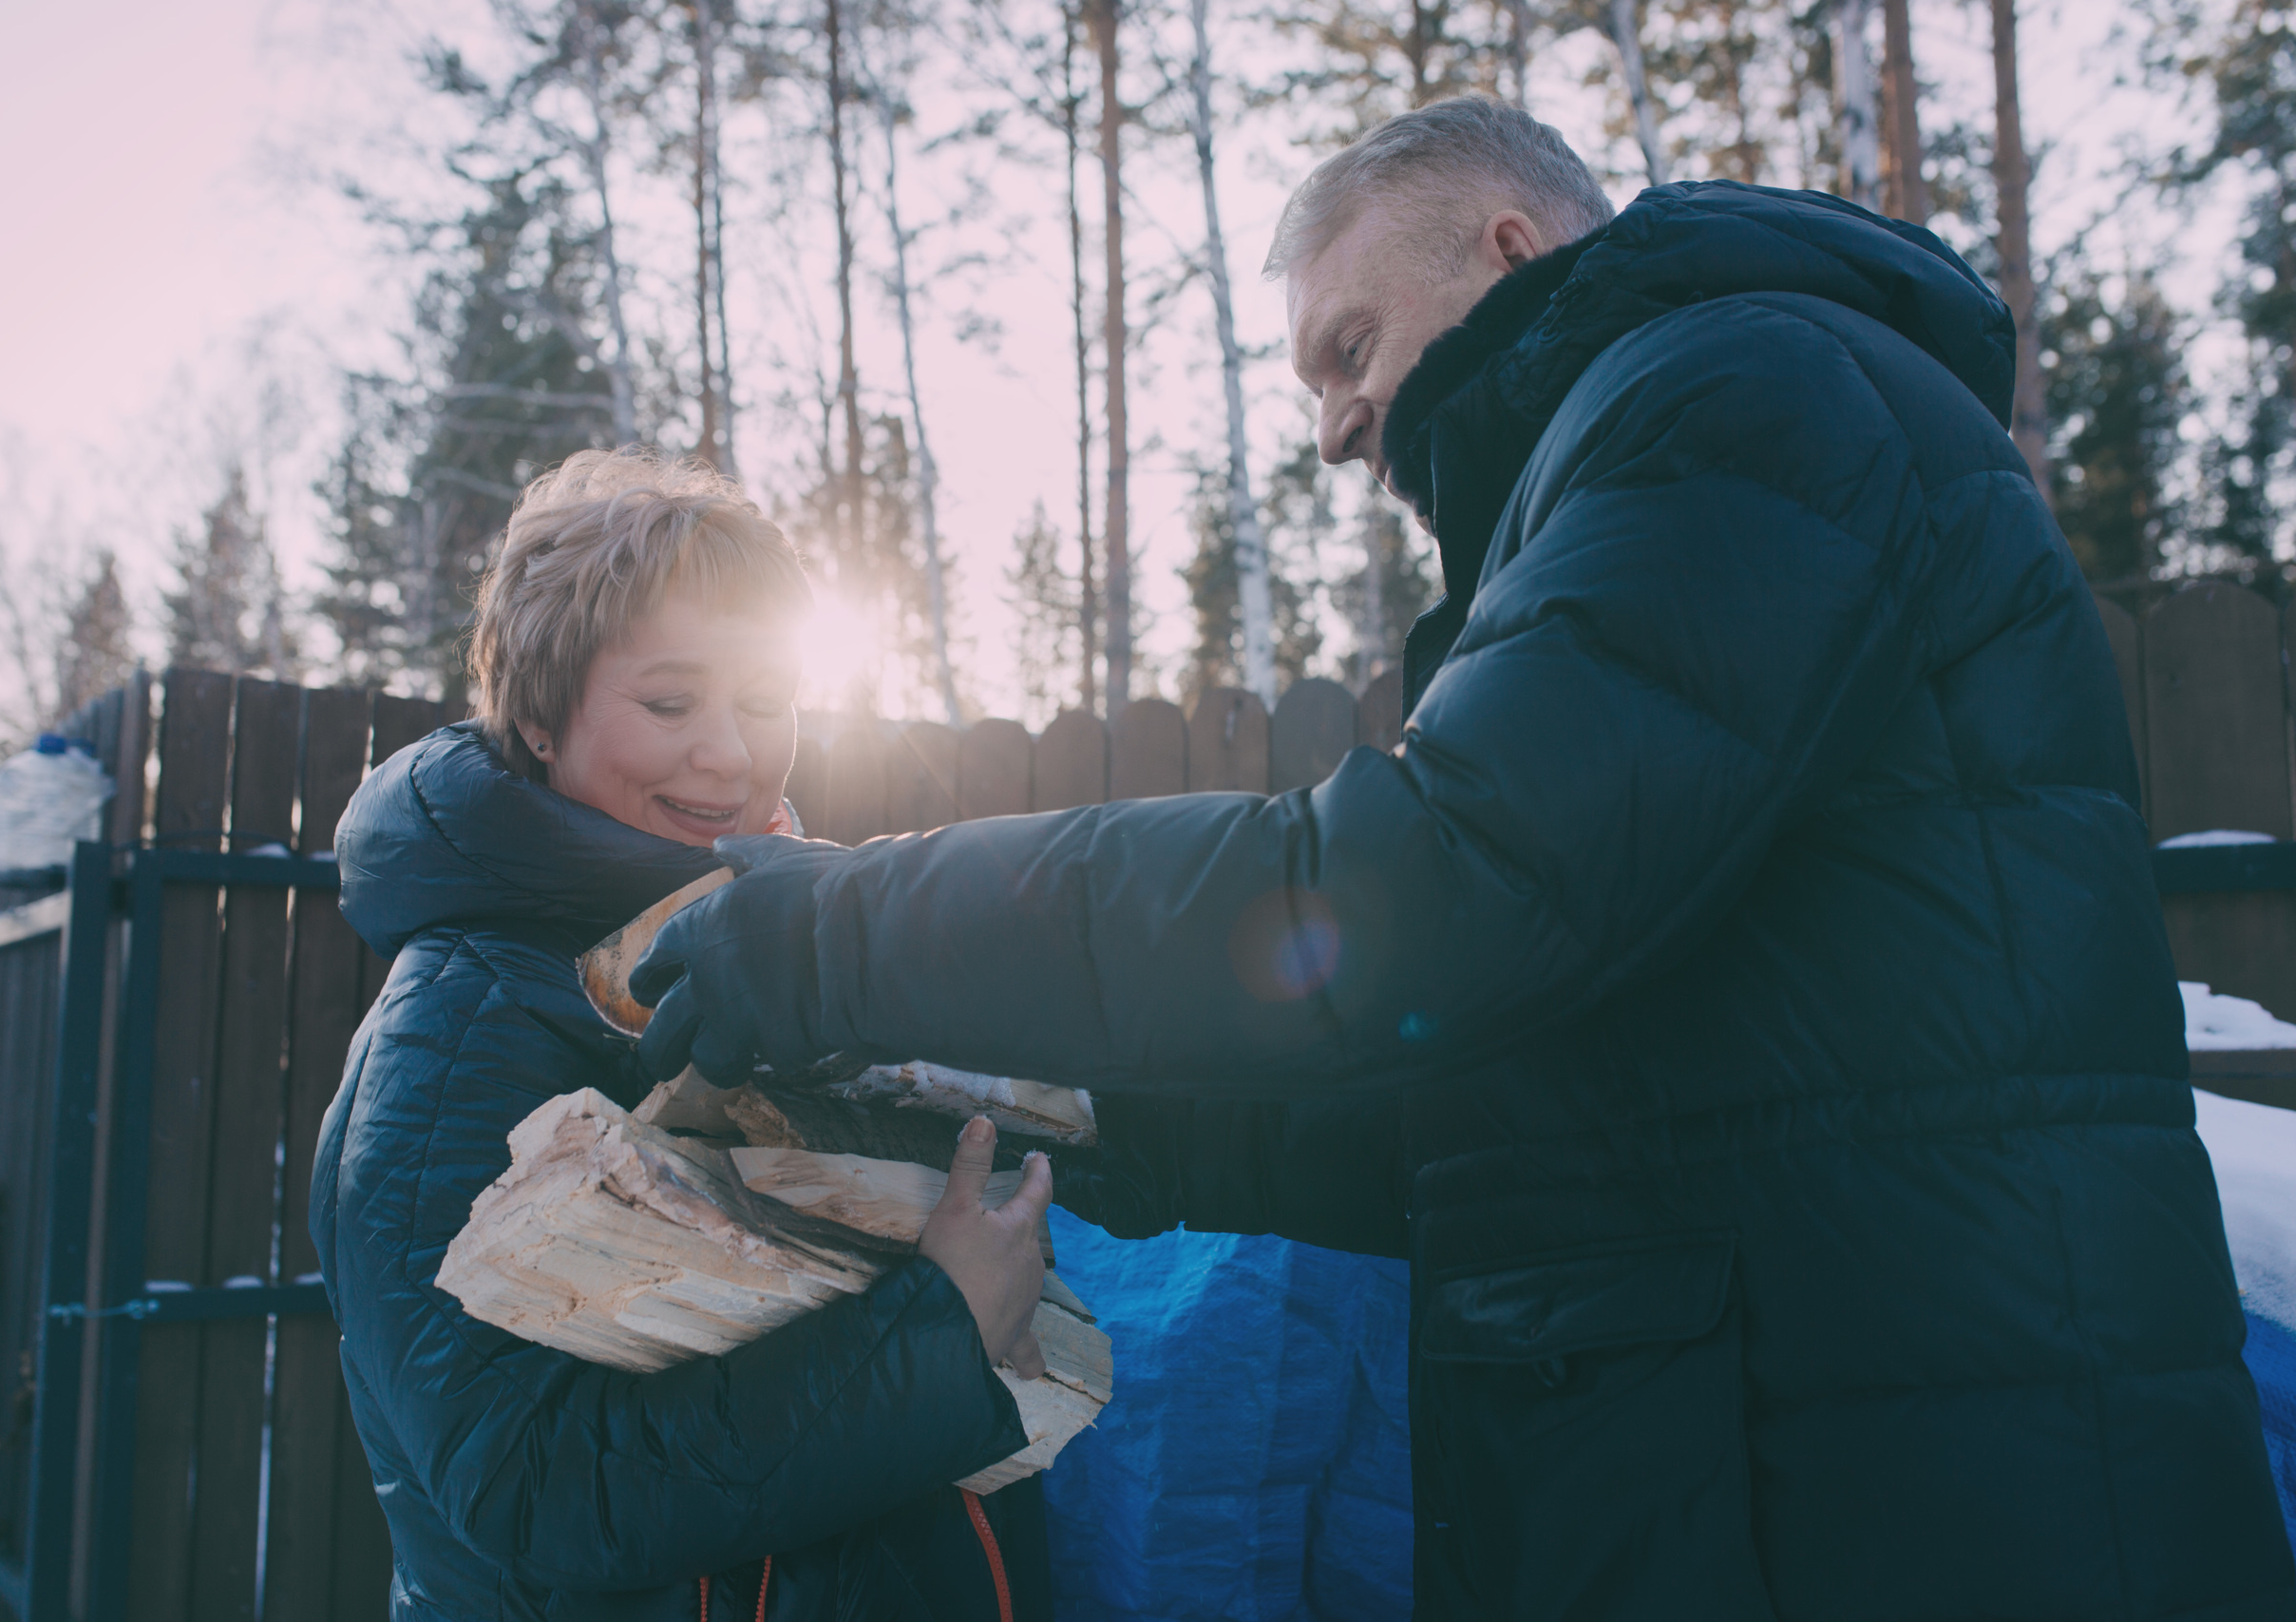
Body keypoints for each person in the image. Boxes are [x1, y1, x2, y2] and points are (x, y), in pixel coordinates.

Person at [632, 98, 2296, 1618]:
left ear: (1509, 245)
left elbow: (1422, 893)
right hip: (1811, 1466)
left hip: (1937, 1496)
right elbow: (1502, 1107)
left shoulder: (1748, 396)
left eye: (1349, 347)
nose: (1337, 427)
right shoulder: (1658, 472)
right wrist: (1094, 1118)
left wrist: (851, 928)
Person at [310, 448, 1056, 1622]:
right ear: (540, 719)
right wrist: (939, 1333)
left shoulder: (782, 955)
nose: (731, 752)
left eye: (764, 699)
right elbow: (534, 1483)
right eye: (670, 705)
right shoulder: (461, 1033)